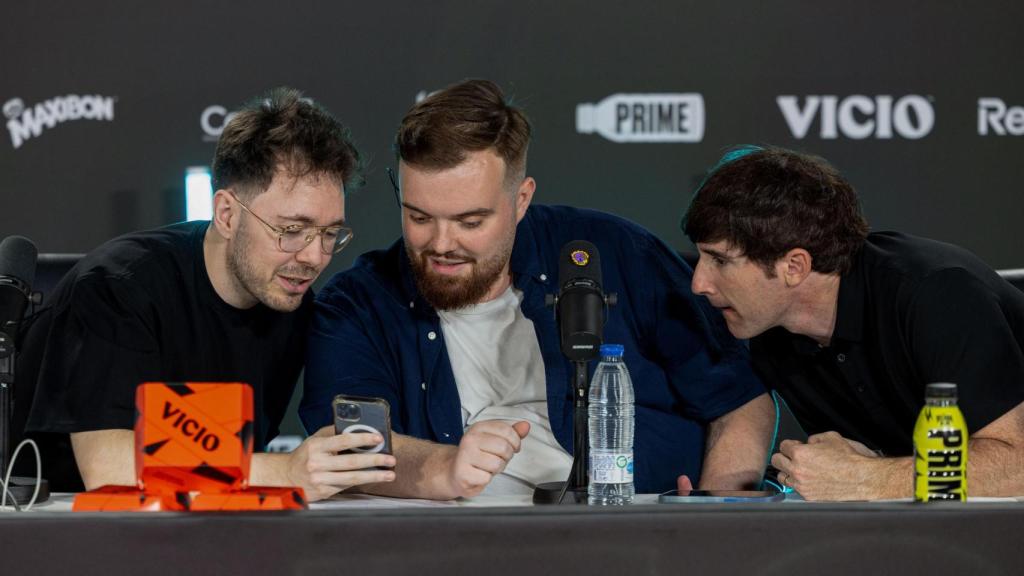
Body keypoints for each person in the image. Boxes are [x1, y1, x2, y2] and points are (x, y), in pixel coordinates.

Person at [301, 79, 773, 499]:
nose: (441, 244)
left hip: (635, 535)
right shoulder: (357, 304)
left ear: (521, 198)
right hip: (452, 548)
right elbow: (349, 444)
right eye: (419, 217)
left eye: (471, 221)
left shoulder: (613, 252)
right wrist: (445, 468)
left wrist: (719, 509)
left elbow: (738, 400)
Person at [16, 88, 396, 499]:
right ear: (227, 214)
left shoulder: (289, 299)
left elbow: (226, 462)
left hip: (198, 527)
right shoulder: (117, 286)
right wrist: (284, 470)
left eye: (329, 233)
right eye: (291, 231)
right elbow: (110, 469)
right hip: (53, 532)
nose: (314, 257)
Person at [683, 145, 1024, 500]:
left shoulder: (936, 294)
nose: (698, 283)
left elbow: (1017, 466)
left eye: (719, 260)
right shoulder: (774, 334)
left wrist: (867, 478)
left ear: (794, 266)